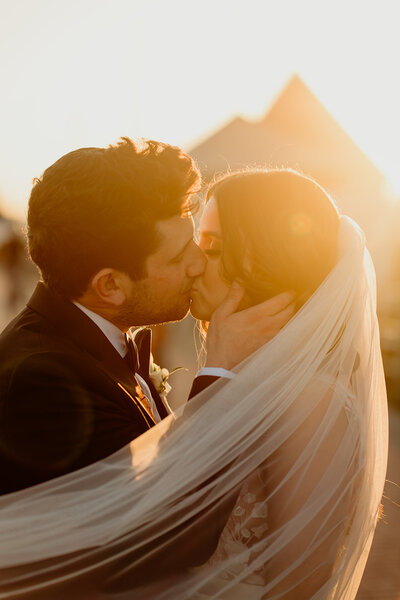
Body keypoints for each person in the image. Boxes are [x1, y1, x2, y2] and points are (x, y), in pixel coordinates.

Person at [0, 167, 387, 600]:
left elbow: (300, 585)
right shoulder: (43, 375)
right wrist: (220, 375)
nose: (198, 262)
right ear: (109, 285)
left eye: (212, 247)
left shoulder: (313, 400)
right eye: (193, 246)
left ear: (266, 264)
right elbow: (152, 535)